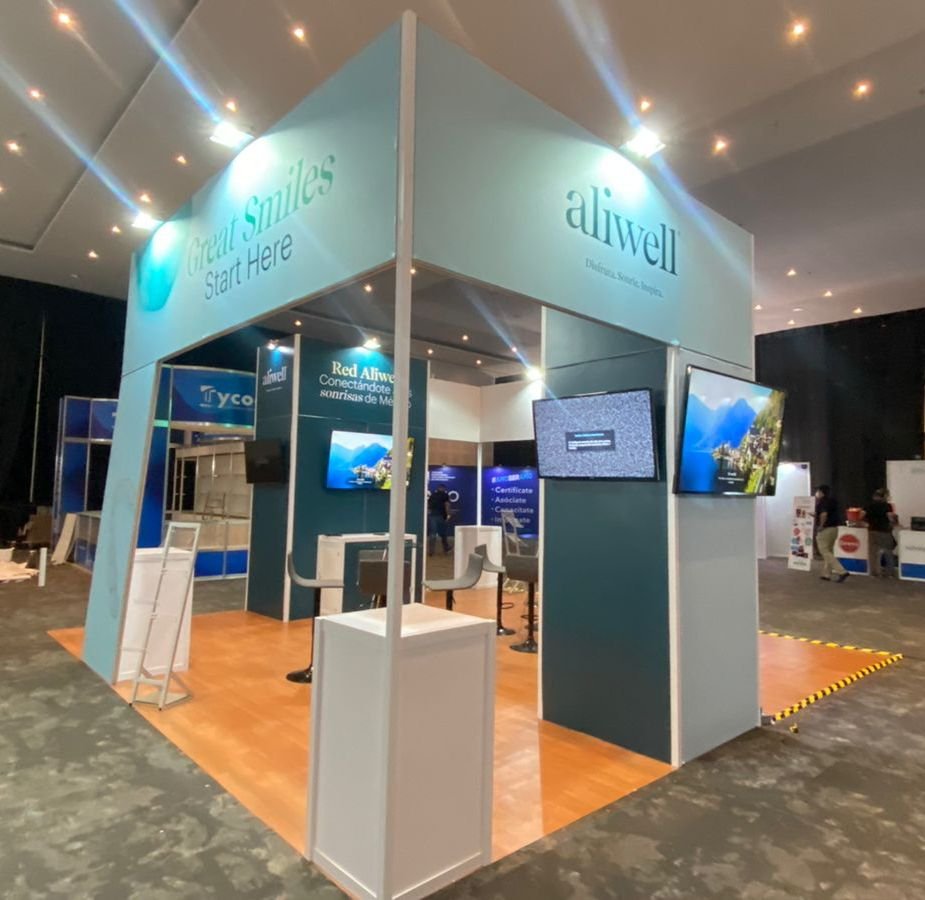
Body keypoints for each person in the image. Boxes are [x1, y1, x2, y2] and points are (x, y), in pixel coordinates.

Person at [815, 484, 849, 583]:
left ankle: (842, 571)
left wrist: (821, 526)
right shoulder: (833, 501)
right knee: (829, 551)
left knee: (824, 550)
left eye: (818, 491)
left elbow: (824, 514)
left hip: (825, 529)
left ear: (821, 492)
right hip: (834, 528)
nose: (816, 493)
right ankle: (826, 574)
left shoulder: (822, 502)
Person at [864, 488, 896, 577]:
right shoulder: (887, 506)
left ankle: (874, 572)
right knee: (888, 552)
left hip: (872, 530)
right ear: (884, 496)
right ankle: (890, 573)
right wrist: (893, 524)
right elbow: (890, 517)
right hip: (884, 531)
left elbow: (861, 515)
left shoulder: (869, 505)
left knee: (873, 553)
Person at [427, 484, 451, 555]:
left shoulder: (433, 495)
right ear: (443, 488)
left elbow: (428, 505)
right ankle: (446, 548)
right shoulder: (445, 495)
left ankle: (431, 551)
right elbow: (447, 505)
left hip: (432, 516)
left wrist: (429, 513)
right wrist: (448, 514)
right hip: (441, 516)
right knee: (443, 533)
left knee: (432, 534)